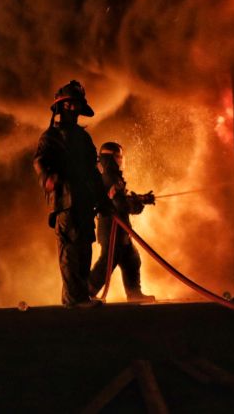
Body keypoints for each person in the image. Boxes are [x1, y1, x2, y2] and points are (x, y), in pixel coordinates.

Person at [33, 80, 111, 309]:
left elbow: (93, 174)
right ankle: (73, 299)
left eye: (76, 106)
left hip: (85, 204)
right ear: (60, 108)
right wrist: (47, 178)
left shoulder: (84, 139)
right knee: (70, 250)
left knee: (85, 246)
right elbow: (40, 162)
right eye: (69, 106)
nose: (73, 110)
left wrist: (104, 201)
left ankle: (82, 296)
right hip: (65, 203)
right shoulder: (50, 138)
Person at [88, 142, 156, 303]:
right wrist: (138, 203)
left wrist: (140, 198)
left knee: (132, 259)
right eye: (118, 156)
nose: (120, 160)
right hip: (113, 229)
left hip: (120, 230)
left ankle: (134, 294)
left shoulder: (109, 174)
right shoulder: (110, 176)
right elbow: (120, 204)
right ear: (111, 158)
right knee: (107, 263)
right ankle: (87, 292)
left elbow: (119, 199)